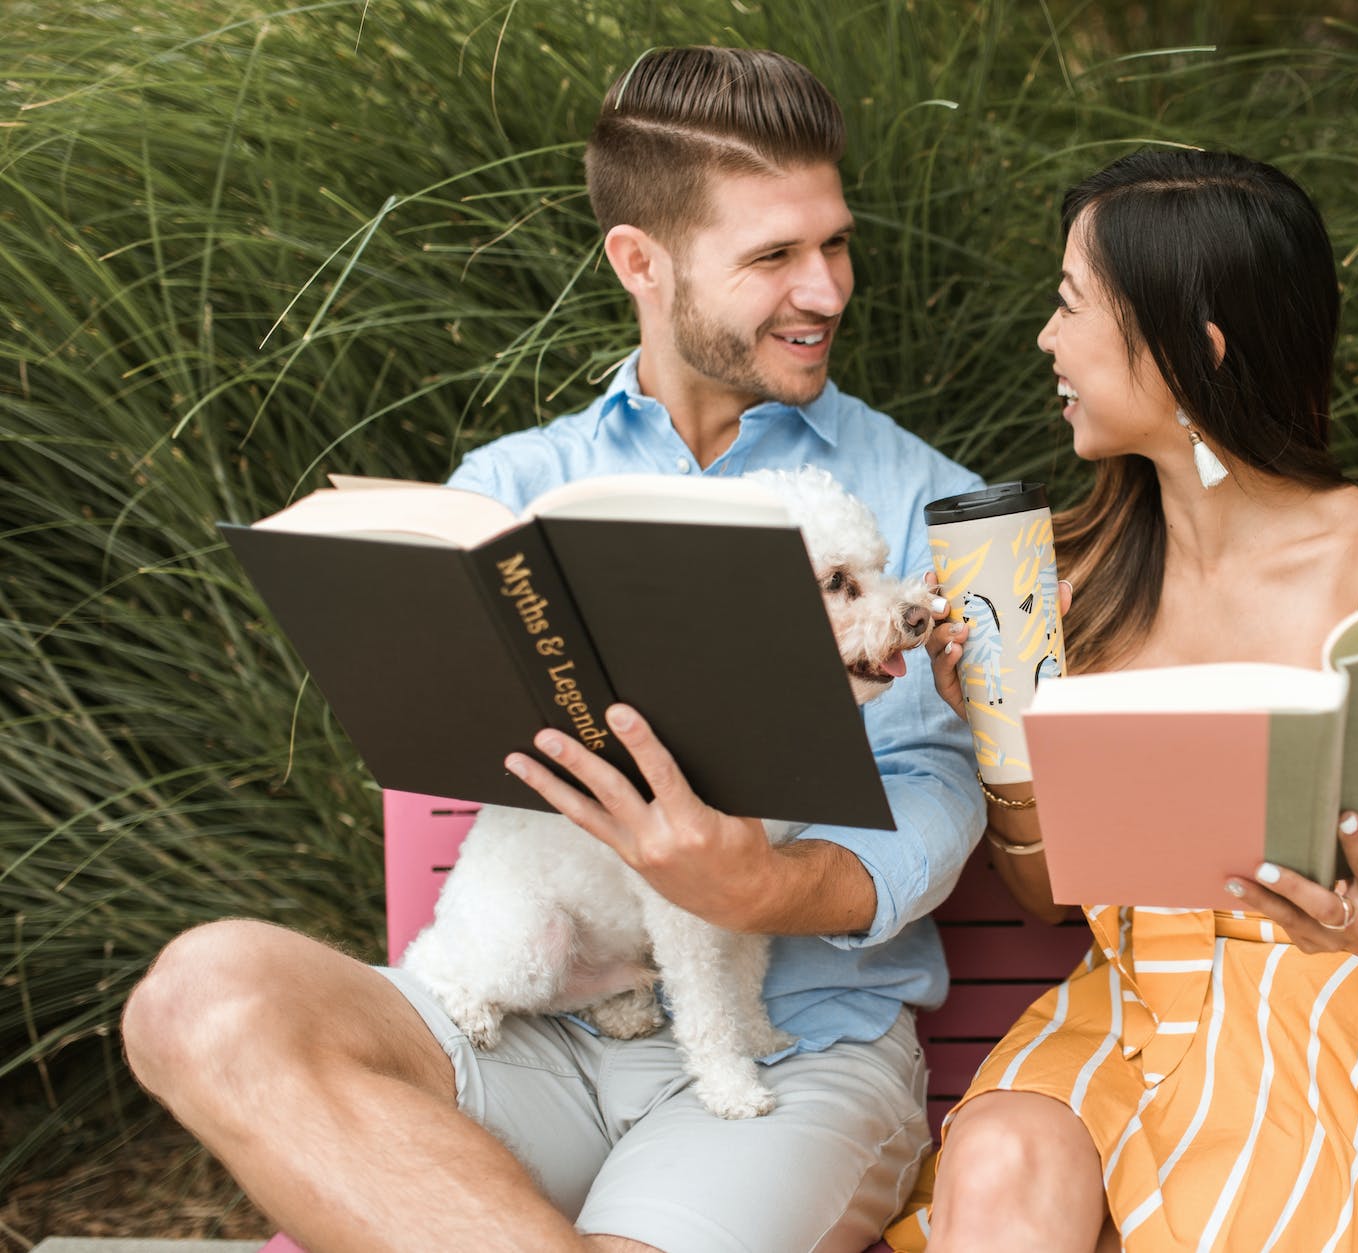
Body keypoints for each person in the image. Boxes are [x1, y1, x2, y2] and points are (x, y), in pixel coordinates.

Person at [122, 47, 986, 1253]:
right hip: (526, 1019)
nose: (827, 290)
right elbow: (454, 743)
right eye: (773, 256)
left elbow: (943, 789)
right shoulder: (512, 490)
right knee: (200, 995)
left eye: (833, 243)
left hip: (794, 1043)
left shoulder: (924, 503)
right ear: (640, 260)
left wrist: (757, 886)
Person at [886, 150, 1358, 1252]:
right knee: (998, 1150)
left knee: (1239, 1208)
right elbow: (1054, 900)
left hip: (1317, 1016)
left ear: (1195, 348)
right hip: (1119, 1016)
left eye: (1070, 307)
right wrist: (1000, 733)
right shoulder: (1067, 579)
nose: (1045, 341)